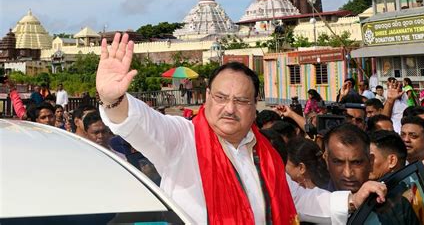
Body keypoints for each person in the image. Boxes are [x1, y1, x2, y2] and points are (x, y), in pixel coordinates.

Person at [96, 33, 387, 224]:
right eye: (221, 98)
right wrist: (113, 99)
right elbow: (142, 124)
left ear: (254, 106)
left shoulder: (263, 151)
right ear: (207, 97)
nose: (229, 108)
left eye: (241, 100)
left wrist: (350, 200)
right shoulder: (184, 139)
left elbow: (294, 198)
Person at [323, 123, 372, 193]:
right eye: (338, 162)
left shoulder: (387, 201)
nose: (348, 174)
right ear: (326, 161)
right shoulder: (314, 202)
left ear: (371, 162)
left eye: (356, 162)